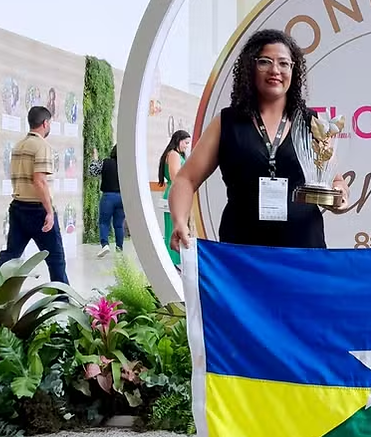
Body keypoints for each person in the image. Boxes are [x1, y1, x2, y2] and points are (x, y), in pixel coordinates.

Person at [167, 29, 350, 253]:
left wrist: (339, 196)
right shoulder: (226, 122)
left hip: (304, 254)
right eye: (265, 62)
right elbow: (186, 179)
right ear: (250, 67)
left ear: (294, 70)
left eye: (284, 63)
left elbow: (335, 182)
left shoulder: (314, 123)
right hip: (242, 255)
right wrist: (179, 221)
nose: (275, 70)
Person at [0, 106, 69, 284]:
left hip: (17, 207)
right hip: (37, 210)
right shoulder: (42, 146)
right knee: (56, 259)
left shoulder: (18, 145)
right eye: (49, 122)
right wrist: (49, 212)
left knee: (11, 254)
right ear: (45, 123)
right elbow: (39, 181)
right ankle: (63, 300)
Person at [159, 130, 191, 265]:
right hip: (175, 195)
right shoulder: (173, 155)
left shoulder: (175, 154)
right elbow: (175, 177)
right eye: (186, 143)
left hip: (177, 194)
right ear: (178, 140)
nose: (187, 146)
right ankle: (172, 262)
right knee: (174, 230)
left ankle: (174, 262)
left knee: (174, 229)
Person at [88, 145, 124, 257]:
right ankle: (119, 249)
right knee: (118, 224)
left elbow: (93, 171)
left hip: (108, 196)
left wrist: (95, 158)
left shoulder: (106, 162)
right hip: (122, 198)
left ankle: (105, 245)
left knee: (104, 222)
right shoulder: (126, 166)